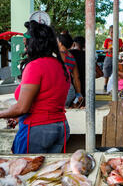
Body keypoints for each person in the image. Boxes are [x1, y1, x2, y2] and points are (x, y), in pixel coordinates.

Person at [0, 20, 70, 154]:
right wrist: (17, 117)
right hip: (60, 127)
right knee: (47, 173)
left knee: (25, 173)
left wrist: (2, 114)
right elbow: (46, 100)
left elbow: (22, 107)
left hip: (38, 130)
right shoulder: (62, 66)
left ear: (35, 43)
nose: (24, 45)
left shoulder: (35, 66)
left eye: (27, 42)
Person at [58, 33, 84, 107]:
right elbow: (76, 77)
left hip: (60, 89)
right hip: (69, 89)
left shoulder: (59, 55)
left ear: (60, 43)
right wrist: (79, 94)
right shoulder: (71, 57)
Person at [103, 25, 123, 92]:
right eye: (111, 32)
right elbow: (104, 50)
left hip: (116, 58)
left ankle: (114, 86)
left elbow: (121, 49)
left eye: (114, 32)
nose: (113, 33)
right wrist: (108, 50)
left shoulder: (119, 40)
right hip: (108, 57)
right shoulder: (107, 40)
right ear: (109, 33)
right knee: (106, 71)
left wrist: (118, 50)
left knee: (115, 72)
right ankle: (105, 85)